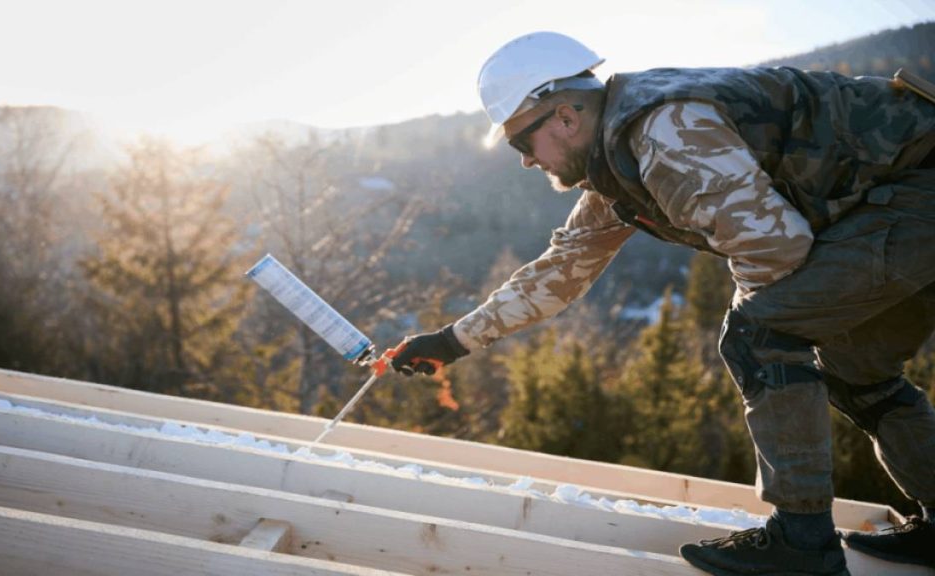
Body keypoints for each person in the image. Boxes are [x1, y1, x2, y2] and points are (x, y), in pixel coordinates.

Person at [389, 31, 935, 576]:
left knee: (758, 333)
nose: (527, 162)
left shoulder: (666, 135)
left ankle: (803, 544)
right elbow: (562, 269)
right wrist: (453, 340)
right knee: (854, 370)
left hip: (919, 190)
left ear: (563, 118)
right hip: (901, 202)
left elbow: (776, 251)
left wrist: (761, 333)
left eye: (520, 143)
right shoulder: (616, 159)